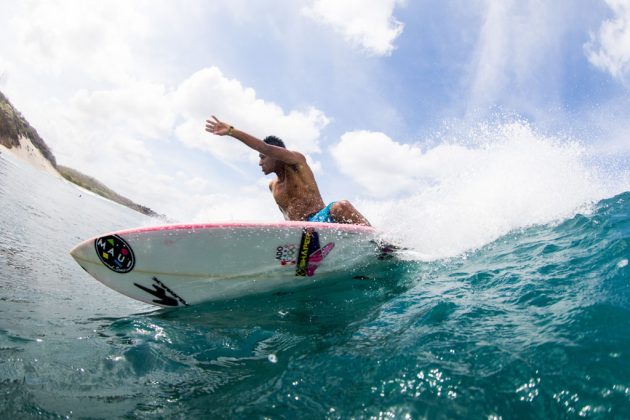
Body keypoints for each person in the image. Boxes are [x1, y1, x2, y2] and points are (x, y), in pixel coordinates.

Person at [205, 116, 371, 226]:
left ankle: (381, 245)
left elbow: (265, 147)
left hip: (320, 223)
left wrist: (232, 132)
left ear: (275, 155)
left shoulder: (296, 163)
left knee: (340, 207)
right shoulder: (273, 186)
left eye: (263, 157)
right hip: (298, 232)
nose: (259, 163)